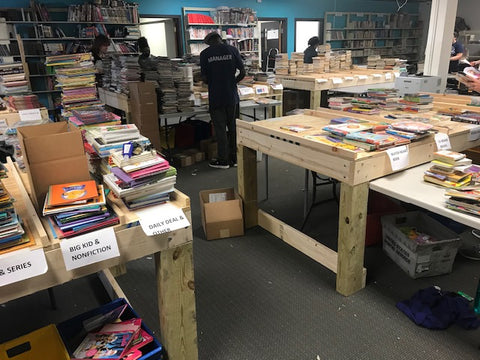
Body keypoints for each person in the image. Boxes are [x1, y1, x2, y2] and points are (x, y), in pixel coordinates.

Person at [200, 32, 245, 169]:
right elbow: (242, 72)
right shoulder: (232, 50)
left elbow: (205, 78)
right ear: (220, 39)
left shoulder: (205, 54)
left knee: (220, 129)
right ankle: (235, 158)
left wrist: (214, 81)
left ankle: (223, 160)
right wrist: (232, 82)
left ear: (208, 42)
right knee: (233, 128)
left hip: (216, 96)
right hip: (231, 96)